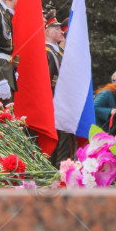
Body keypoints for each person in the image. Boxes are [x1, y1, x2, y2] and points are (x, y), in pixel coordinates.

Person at [44, 9, 76, 166]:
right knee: (57, 145)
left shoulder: (56, 52)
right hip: (55, 104)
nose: (60, 32)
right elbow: (48, 81)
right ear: (47, 31)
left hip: (61, 104)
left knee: (64, 143)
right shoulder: (47, 52)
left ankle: (61, 172)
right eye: (56, 28)